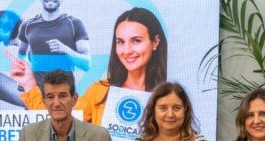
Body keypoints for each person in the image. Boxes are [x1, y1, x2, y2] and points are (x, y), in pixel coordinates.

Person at [11, 7, 168, 125]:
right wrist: (29, 84)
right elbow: (58, 119)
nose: (126, 51)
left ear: (155, 42)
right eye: (120, 42)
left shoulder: (169, 96)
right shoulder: (99, 91)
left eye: (136, 41)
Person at [17, 0, 91, 85]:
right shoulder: (27, 25)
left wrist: (65, 50)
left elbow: (87, 64)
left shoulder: (75, 24)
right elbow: (21, 53)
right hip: (35, 95)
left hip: (62, 96)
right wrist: (28, 73)